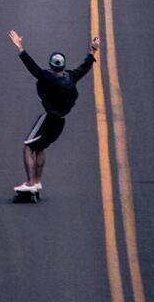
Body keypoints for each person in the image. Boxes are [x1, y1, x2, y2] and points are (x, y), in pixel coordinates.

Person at [8, 27, 99, 194]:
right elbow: (85, 67)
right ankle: (38, 182)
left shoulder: (46, 77)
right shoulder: (71, 77)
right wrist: (92, 50)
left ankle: (30, 183)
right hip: (60, 121)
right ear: (63, 66)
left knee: (28, 147)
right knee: (41, 147)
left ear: (51, 65)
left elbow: (32, 66)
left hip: (49, 118)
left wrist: (20, 47)